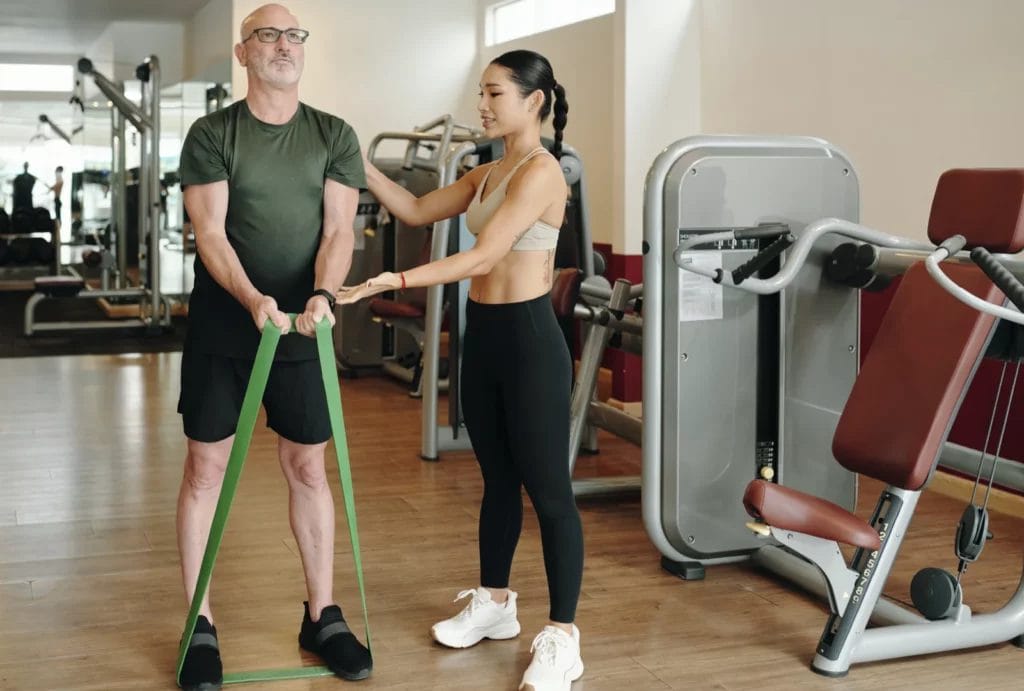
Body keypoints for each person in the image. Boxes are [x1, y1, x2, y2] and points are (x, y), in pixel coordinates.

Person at [337, 49, 583, 691]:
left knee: (549, 492)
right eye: (481, 93)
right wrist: (355, 161)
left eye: (495, 94)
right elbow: (416, 210)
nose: (482, 104)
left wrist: (393, 277)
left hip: (531, 341)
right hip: (488, 338)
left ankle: (563, 637)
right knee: (497, 479)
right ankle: (496, 604)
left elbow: (485, 257)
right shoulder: (488, 172)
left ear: (532, 101)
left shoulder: (542, 173)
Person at [175, 4, 371, 689]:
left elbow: (339, 231)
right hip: (226, 328)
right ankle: (200, 619)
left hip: (303, 329)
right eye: (268, 35)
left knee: (309, 469)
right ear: (243, 52)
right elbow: (211, 233)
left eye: (294, 35)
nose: (284, 45)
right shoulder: (212, 134)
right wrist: (253, 297)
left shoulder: (334, 135)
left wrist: (321, 295)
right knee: (205, 471)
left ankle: (322, 613)